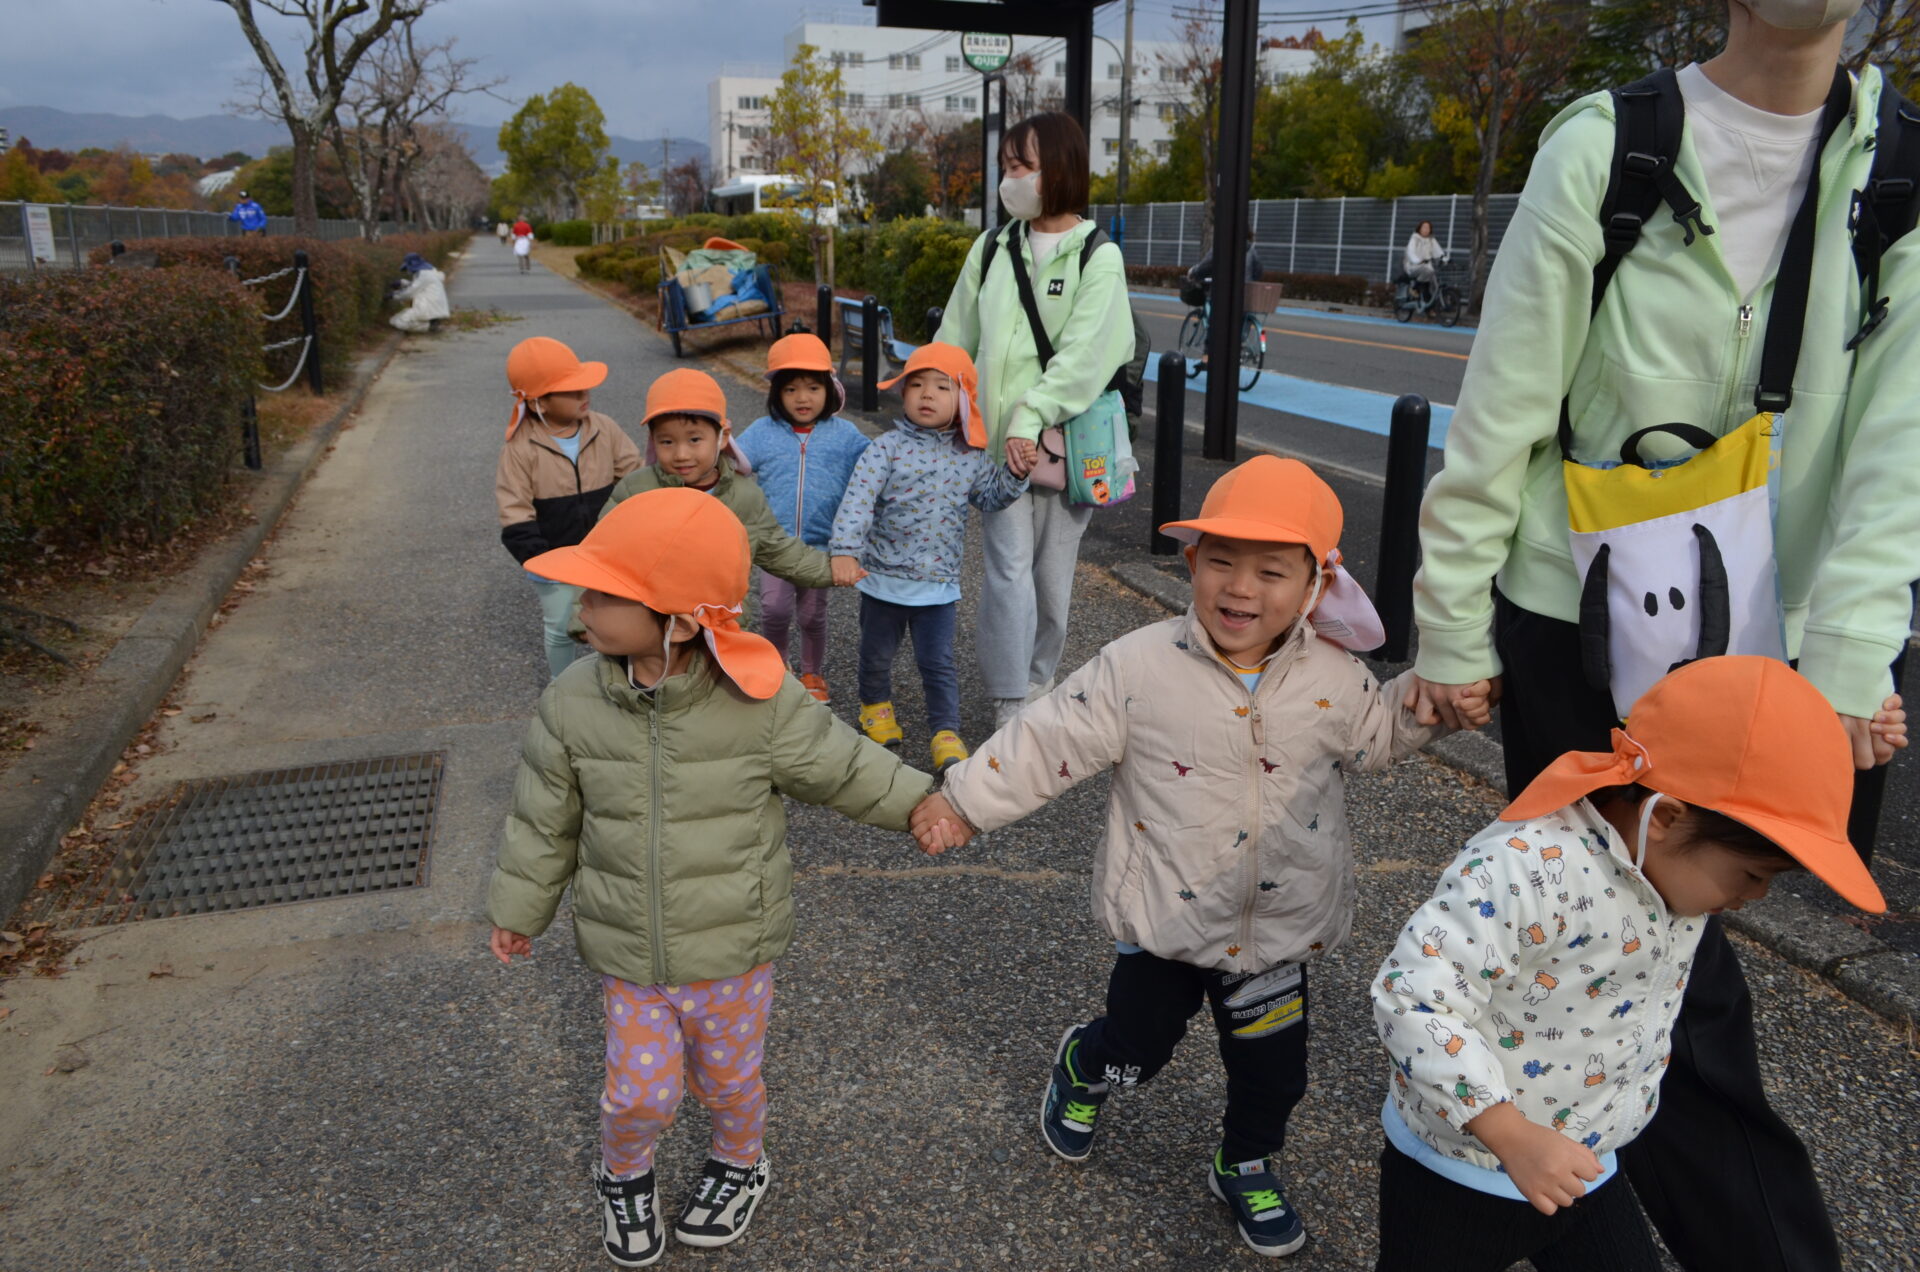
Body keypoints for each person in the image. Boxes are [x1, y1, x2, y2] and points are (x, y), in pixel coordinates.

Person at [1404, 2, 1920, 1267]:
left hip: (1770, 650)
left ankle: (1530, 1153)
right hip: (1577, 624)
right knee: (1642, 952)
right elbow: (1503, 404)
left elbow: (1899, 451)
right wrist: (1451, 623)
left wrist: (1847, 667)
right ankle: (1536, 1163)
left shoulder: (1904, 175)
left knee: (1653, 961)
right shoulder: (1609, 143)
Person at [910, 456, 1492, 1258]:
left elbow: (1378, 735)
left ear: (1317, 584)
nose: (1240, 588)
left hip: (1275, 931)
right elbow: (1051, 737)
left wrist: (1439, 704)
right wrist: (966, 800)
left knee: (1273, 1075)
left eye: (1272, 571)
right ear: (1191, 563)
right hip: (1166, 921)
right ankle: (1085, 1066)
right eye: (1221, 561)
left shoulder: (1335, 676)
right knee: (1136, 1053)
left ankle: (1243, 1161)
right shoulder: (1139, 666)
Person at [487, 487, 939, 1266]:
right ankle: (623, 1173)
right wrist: (518, 909)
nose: (581, 606)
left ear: (680, 617)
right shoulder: (571, 703)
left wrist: (928, 806)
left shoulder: (756, 701)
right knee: (639, 1094)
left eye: (603, 593)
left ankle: (739, 1162)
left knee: (730, 1084)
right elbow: (542, 819)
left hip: (733, 950)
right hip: (631, 952)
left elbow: (843, 766)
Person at [1372, 657, 1899, 1271]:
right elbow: (1413, 995)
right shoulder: (1527, 868)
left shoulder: (1670, 874)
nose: (1754, 897)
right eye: (1752, 875)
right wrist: (1509, 1133)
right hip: (1465, 1171)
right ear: (1667, 817)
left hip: (1588, 1162)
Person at [937, 111, 1134, 728]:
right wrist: (937, 403)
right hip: (997, 450)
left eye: (1022, 165)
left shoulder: (1098, 257)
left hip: (1066, 447)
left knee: (1051, 578)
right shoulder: (992, 247)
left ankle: (1039, 677)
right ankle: (1009, 701)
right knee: (1007, 571)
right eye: (1006, 166)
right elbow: (955, 339)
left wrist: (1031, 415)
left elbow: (1086, 358)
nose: (1010, 178)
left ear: (1059, 168)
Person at [829, 343, 1027, 772]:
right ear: (903, 394)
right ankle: (875, 706)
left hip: (937, 586)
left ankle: (945, 730)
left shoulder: (970, 455)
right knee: (876, 654)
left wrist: (1015, 474)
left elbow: (991, 498)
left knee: (938, 663)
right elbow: (858, 501)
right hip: (882, 579)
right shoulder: (886, 448)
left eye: (941, 386)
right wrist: (844, 550)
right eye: (916, 384)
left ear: (963, 400)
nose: (927, 394)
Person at [602, 368, 864, 597]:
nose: (681, 454)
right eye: (667, 441)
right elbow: (601, 553)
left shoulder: (744, 496)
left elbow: (779, 551)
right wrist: (587, 619)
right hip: (652, 622)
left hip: (722, 621)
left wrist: (835, 569)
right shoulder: (636, 490)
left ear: (723, 437)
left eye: (694, 439)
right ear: (653, 440)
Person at [734, 333, 870, 704]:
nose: (802, 398)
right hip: (774, 545)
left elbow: (876, 465)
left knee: (812, 615)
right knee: (774, 610)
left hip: (821, 545)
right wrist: (719, 439)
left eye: (813, 387)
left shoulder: (845, 435)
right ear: (776, 393)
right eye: (791, 389)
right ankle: (778, 667)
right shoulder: (763, 431)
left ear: (830, 389)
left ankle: (812, 672)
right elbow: (735, 464)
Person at [494, 337, 641, 680]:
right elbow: (514, 510)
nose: (584, 394)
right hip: (554, 558)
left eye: (584, 386)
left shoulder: (603, 428)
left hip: (608, 551)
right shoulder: (520, 448)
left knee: (621, 616)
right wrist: (538, 558)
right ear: (539, 403)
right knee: (561, 626)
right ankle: (563, 687)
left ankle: (622, 681)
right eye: (572, 391)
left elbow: (634, 477)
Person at [388, 252, 450, 334]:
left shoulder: (424, 275)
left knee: (399, 322)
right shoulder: (429, 272)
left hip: (427, 308)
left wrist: (393, 296)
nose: (408, 271)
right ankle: (433, 322)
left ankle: (430, 326)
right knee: (395, 319)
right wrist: (402, 282)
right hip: (434, 307)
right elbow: (419, 286)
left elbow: (410, 292)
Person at [1401, 220, 1446, 301]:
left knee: (1433, 282)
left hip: (1427, 267)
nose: (1426, 230)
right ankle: (1414, 288)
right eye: (1424, 227)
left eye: (1428, 228)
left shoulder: (1431, 240)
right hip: (1413, 266)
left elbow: (1438, 251)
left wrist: (1444, 259)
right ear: (1419, 229)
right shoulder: (1415, 238)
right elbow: (1410, 252)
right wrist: (1418, 261)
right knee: (1428, 271)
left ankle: (1429, 302)